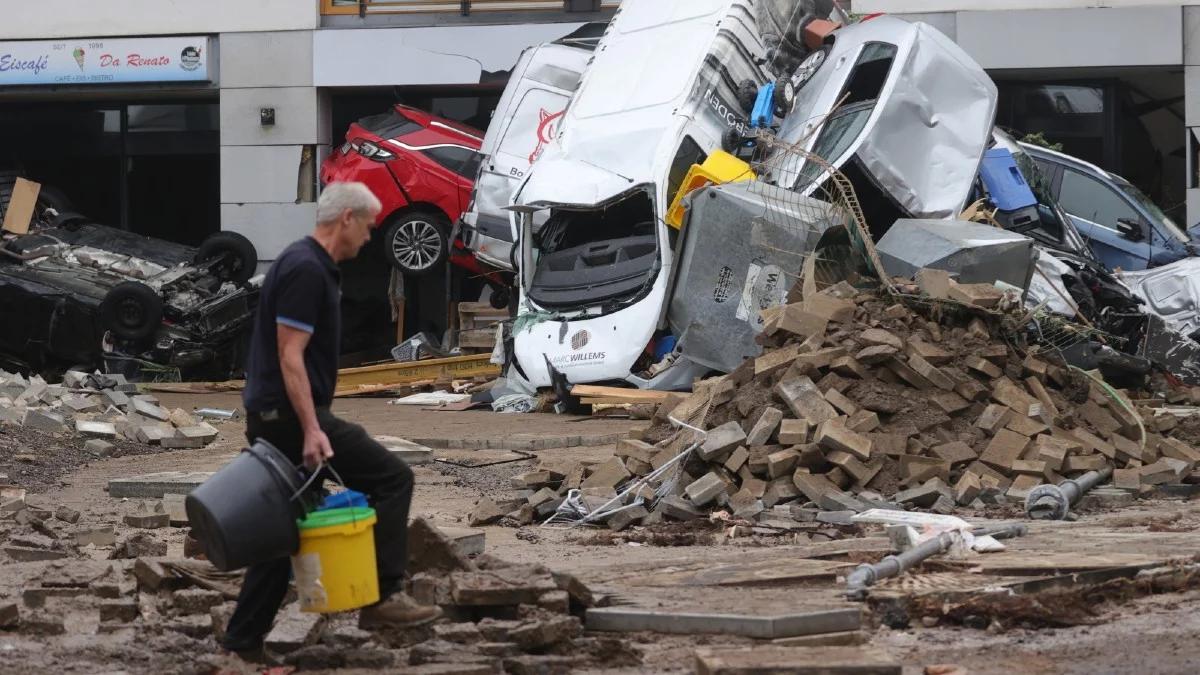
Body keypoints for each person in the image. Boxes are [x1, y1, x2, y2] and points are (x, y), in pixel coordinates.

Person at [221, 182, 441, 660]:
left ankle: (241, 643)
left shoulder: (306, 263)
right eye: (368, 225)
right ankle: (383, 597)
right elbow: (290, 354)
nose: (368, 238)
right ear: (347, 219)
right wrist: (314, 428)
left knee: (284, 528)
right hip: (288, 419)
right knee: (392, 477)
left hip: (275, 415)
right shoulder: (306, 269)